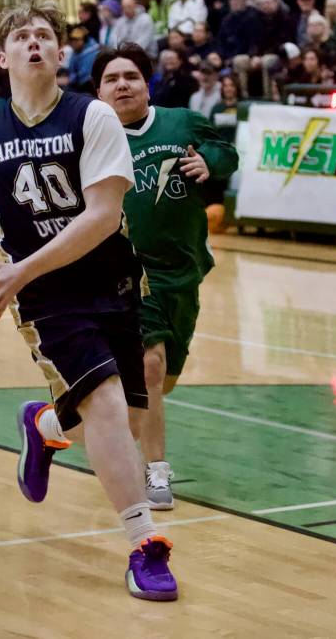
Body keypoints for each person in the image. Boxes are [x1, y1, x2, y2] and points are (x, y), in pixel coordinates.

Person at [0, 0, 178, 601]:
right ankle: (145, 545)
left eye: (44, 35)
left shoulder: (93, 116)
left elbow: (102, 218)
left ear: (59, 53)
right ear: (2, 58)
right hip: (46, 295)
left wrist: (17, 267)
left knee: (124, 417)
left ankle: (45, 424)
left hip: (112, 279)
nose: (33, 43)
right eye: (21, 37)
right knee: (103, 408)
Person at [94, 43, 238, 511]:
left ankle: (60, 425)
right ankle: (156, 473)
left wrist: (210, 163)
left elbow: (227, 152)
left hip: (185, 272)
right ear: (99, 91)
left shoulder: (181, 123)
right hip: (129, 271)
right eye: (112, 78)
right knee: (150, 367)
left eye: (130, 76)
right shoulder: (92, 140)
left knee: (160, 382)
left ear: (146, 83)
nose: (122, 84)